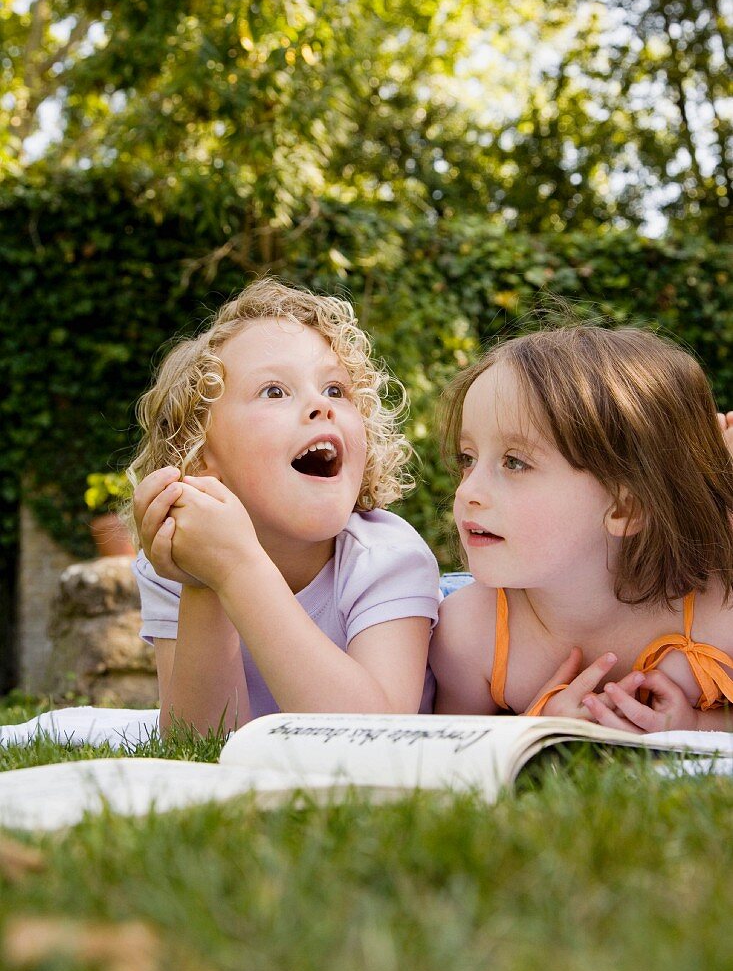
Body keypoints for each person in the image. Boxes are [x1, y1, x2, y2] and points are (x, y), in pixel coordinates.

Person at [129, 278, 440, 735]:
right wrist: (202, 584)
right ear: (200, 457)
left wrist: (238, 570)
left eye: (335, 390)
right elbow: (200, 745)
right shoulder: (173, 564)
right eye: (274, 391)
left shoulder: (386, 558)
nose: (321, 406)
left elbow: (373, 739)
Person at [430, 324, 733, 732]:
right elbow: (446, 753)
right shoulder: (467, 634)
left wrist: (697, 725)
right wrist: (535, 727)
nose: (469, 490)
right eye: (468, 458)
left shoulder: (721, 610)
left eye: (514, 462)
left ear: (626, 507)